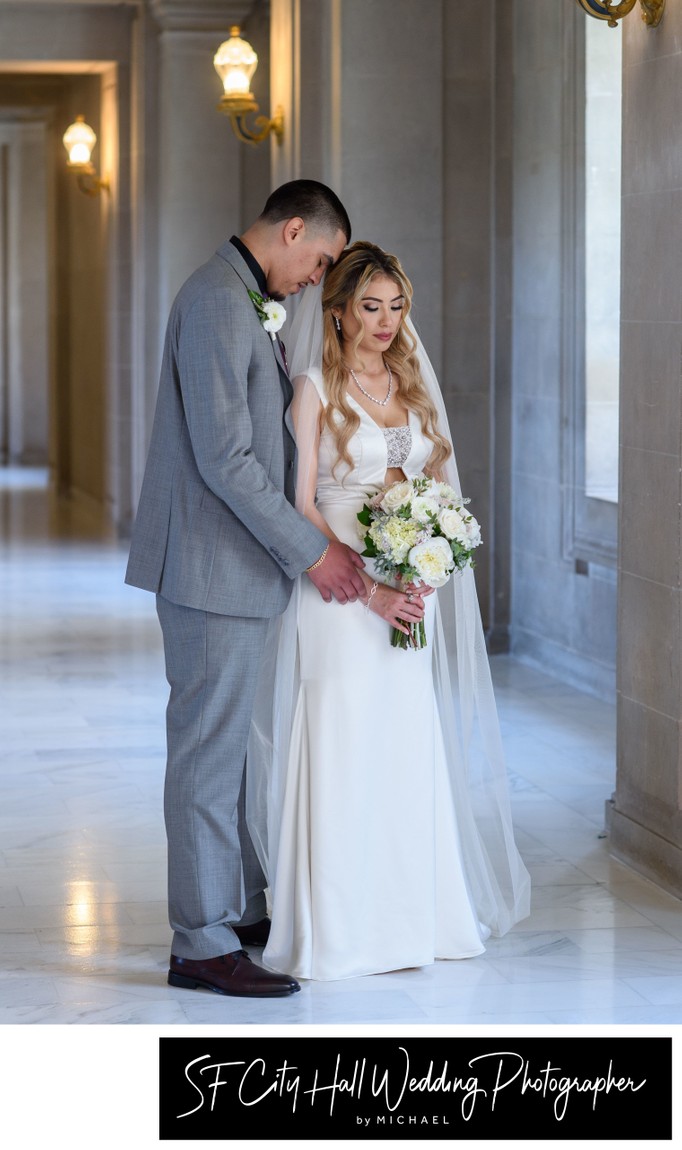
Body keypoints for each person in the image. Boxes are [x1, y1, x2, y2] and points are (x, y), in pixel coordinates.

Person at [246, 241, 531, 981]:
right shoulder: (313, 387)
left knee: (404, 744)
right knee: (341, 743)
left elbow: (436, 491)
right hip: (339, 589)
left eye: (396, 306)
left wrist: (431, 562)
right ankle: (337, 931)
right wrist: (360, 580)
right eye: (369, 307)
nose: (385, 321)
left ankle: (415, 919)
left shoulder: (410, 386)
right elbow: (301, 502)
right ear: (336, 311)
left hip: (408, 586)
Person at [124, 181, 369, 998]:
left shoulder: (237, 295)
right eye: (322, 260)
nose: (318, 278)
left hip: (229, 570)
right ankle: (199, 943)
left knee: (231, 754)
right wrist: (312, 552)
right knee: (206, 754)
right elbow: (226, 460)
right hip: (208, 570)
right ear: (293, 228)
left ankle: (232, 908)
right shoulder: (219, 302)